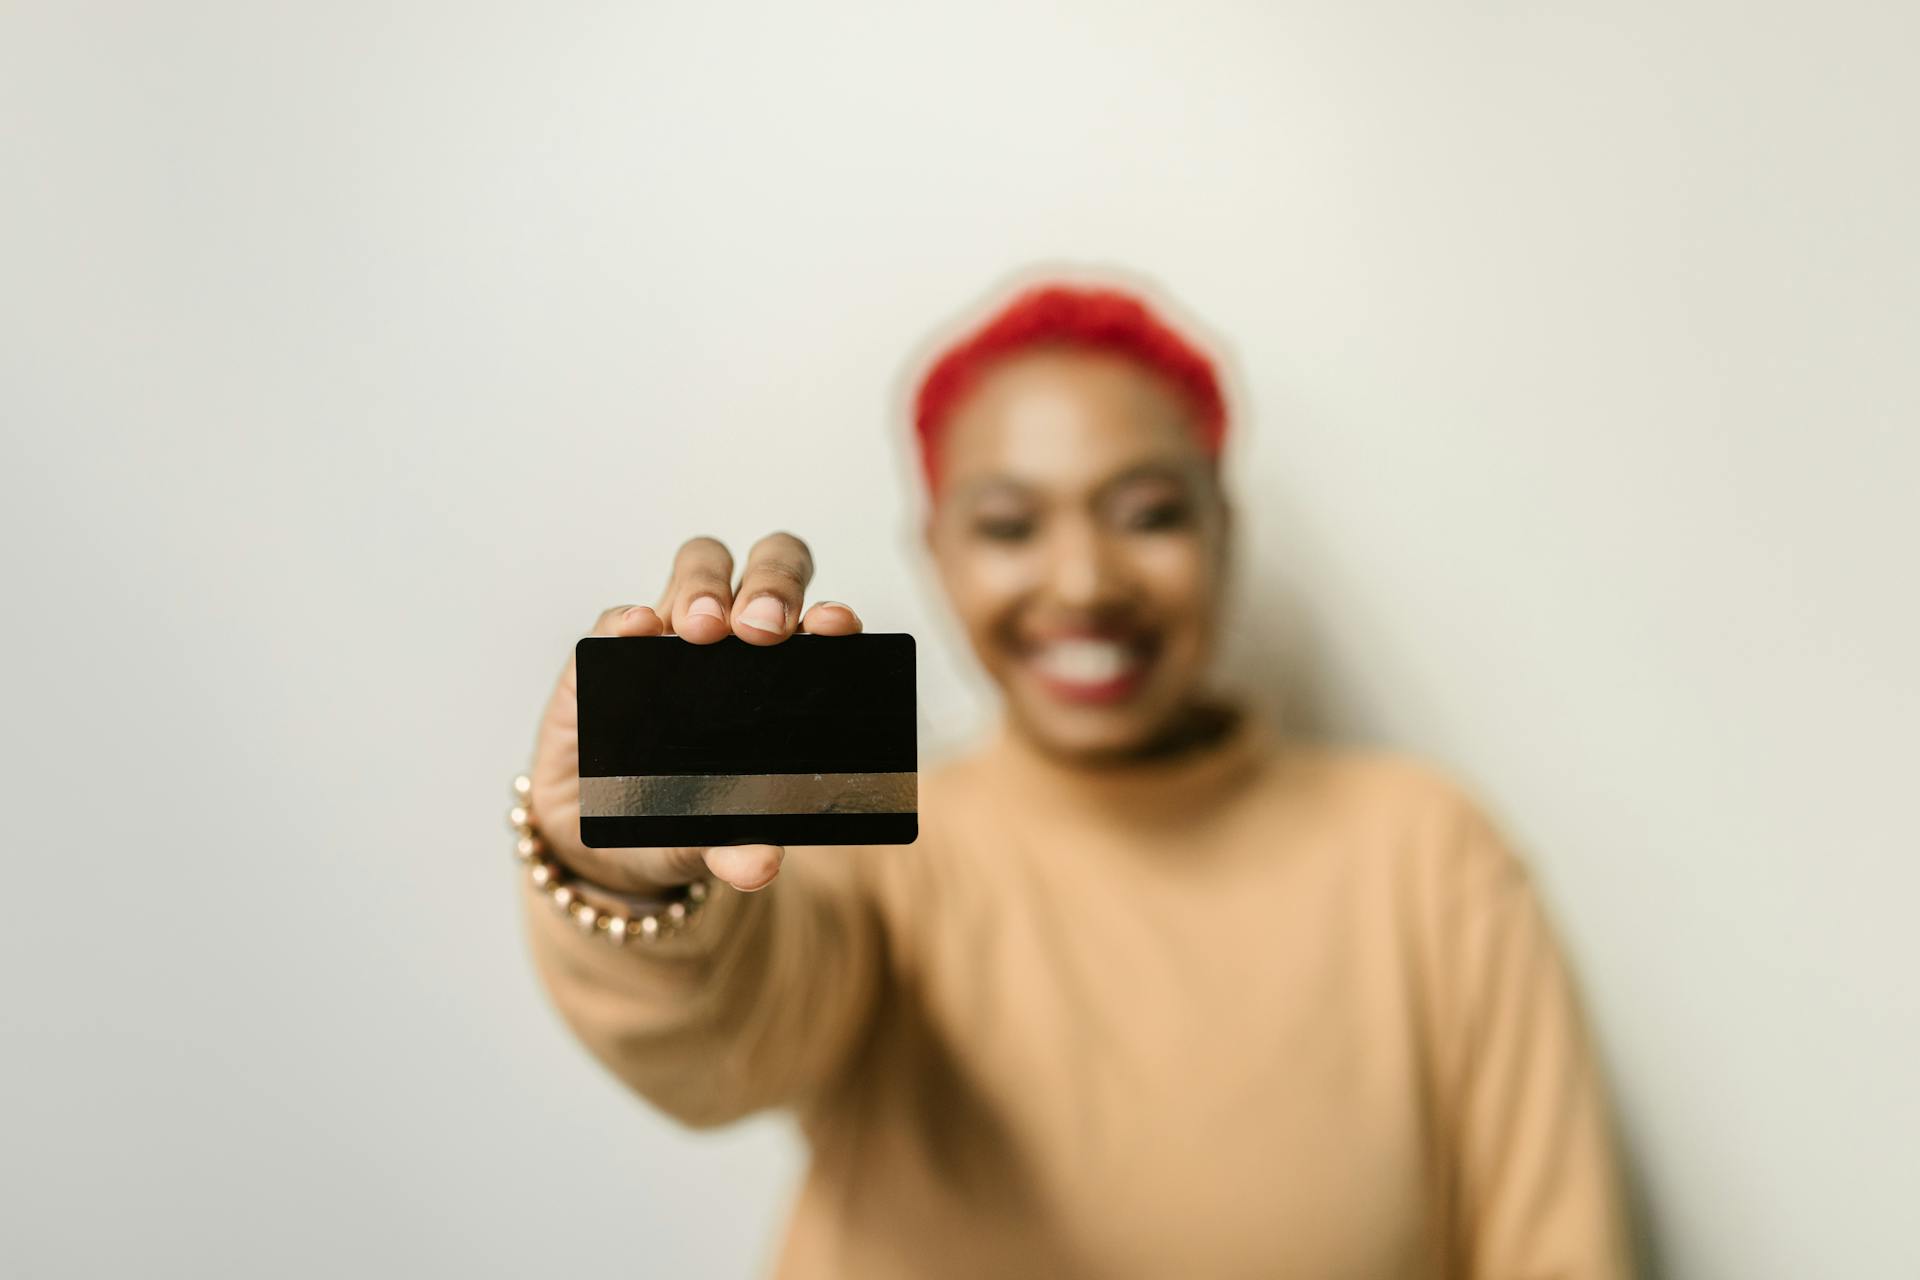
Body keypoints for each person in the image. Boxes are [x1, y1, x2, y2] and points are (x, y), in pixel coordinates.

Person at [511, 281, 1635, 1278]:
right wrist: (626, 880)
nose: (1086, 579)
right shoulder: (880, 851)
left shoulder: (1425, 848)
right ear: (937, 551)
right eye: (1009, 524)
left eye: (1147, 513)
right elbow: (723, 1046)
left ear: (1223, 530)